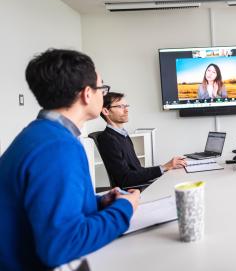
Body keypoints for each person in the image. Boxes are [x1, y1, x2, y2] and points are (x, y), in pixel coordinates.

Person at [0, 49, 140, 270]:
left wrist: (98, 202)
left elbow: (41, 206)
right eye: (102, 88)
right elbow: (61, 246)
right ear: (87, 94)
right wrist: (124, 208)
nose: (103, 94)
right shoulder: (59, 147)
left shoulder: (38, 135)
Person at [97, 92, 186, 189]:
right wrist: (164, 167)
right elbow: (125, 179)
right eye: (120, 106)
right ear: (106, 111)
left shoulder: (123, 135)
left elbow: (137, 170)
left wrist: (165, 167)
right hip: (131, 192)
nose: (126, 110)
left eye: (126, 106)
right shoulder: (108, 139)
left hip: (138, 186)